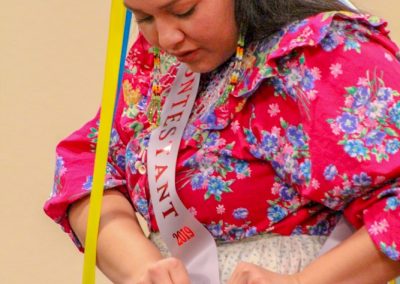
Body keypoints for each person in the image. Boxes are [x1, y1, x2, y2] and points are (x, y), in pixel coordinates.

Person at [44, 0, 400, 283]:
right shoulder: (167, 64)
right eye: (143, 18)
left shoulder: (326, 52)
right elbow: (87, 164)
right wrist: (138, 265)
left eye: (183, 10)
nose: (167, 38)